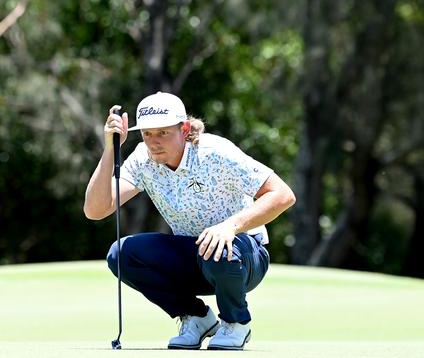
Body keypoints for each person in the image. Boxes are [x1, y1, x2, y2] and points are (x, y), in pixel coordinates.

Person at [83, 92, 295, 350]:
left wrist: (230, 226)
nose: (154, 142)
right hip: (192, 256)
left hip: (244, 256)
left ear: (183, 128)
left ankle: (236, 322)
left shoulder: (214, 152)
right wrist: (110, 148)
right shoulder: (142, 159)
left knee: (216, 246)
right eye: (147, 134)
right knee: (121, 253)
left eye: (163, 133)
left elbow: (283, 195)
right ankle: (196, 317)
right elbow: (96, 209)